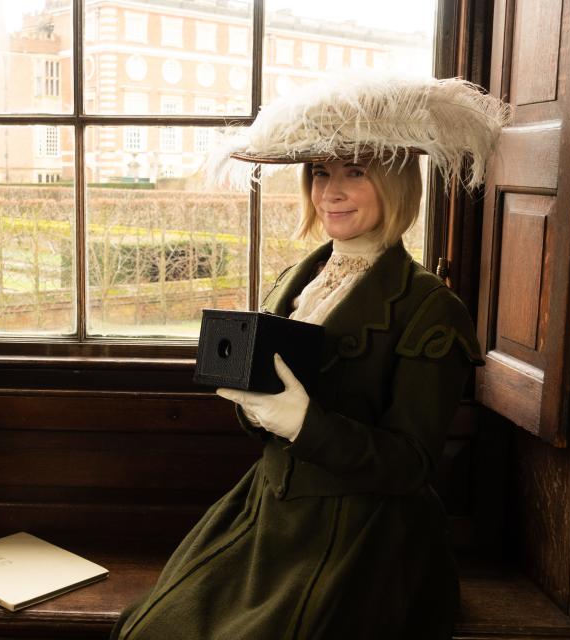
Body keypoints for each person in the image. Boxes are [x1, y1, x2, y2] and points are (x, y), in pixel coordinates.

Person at [110, 73, 510, 640]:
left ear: (396, 181)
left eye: (355, 172)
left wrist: (304, 423)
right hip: (267, 510)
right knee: (150, 628)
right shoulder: (295, 283)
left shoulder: (430, 309)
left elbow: (410, 466)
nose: (331, 192)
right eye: (321, 172)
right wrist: (253, 406)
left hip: (363, 534)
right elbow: (264, 423)